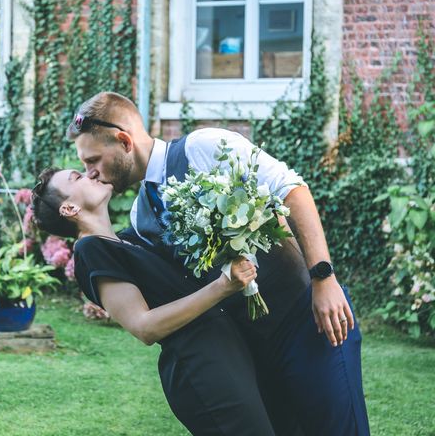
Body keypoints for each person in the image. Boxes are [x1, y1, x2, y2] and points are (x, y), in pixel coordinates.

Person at [65, 91, 370, 436]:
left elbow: (292, 189)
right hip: (252, 350)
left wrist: (323, 278)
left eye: (93, 160)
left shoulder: (204, 147)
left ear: (123, 141)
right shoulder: (140, 218)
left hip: (308, 322)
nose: (90, 173)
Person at [31, 167, 283, 435]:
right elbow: (144, 327)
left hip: (228, 352)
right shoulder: (91, 251)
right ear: (69, 209)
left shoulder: (128, 239)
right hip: (201, 367)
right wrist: (222, 287)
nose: (91, 173)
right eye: (77, 178)